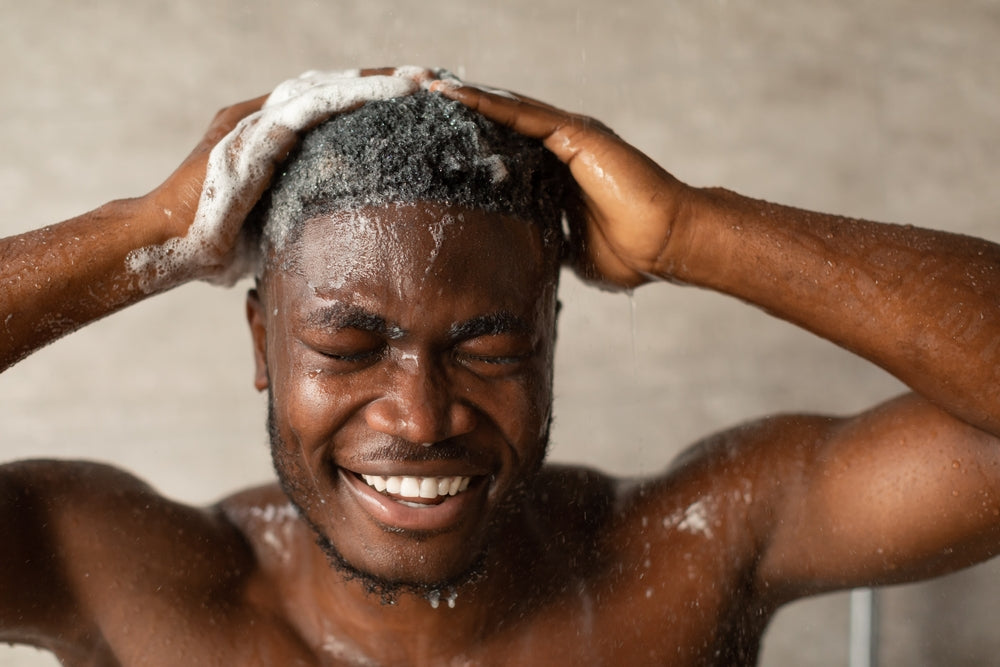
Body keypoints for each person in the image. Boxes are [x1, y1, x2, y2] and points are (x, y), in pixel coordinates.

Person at [1, 66, 998, 666]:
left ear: (551, 338)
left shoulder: (691, 551)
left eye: (489, 350)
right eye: (347, 349)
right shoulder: (122, 577)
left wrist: (692, 232)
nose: (421, 416)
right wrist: (147, 234)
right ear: (261, 341)